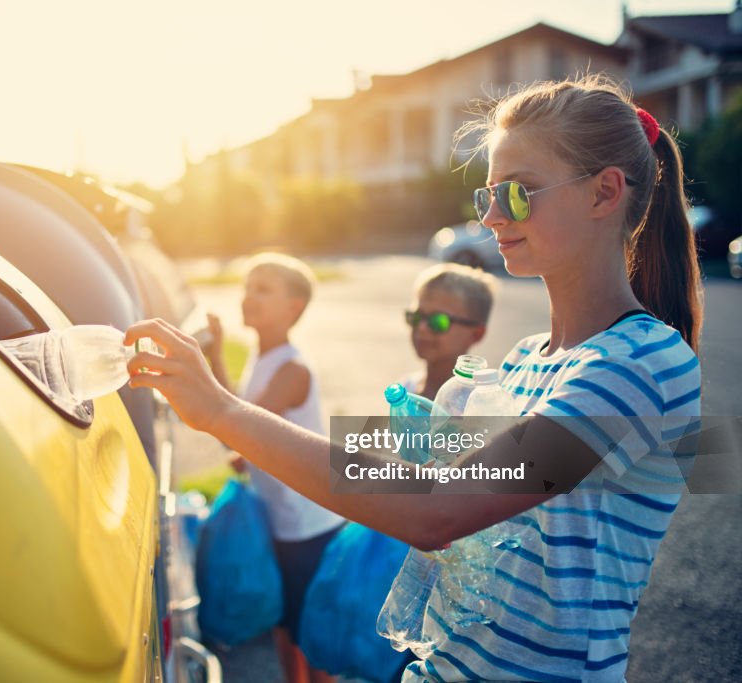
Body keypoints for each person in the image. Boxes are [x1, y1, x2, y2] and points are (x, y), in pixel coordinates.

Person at [127, 74, 702, 682]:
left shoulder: (639, 365)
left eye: (518, 193)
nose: (492, 218)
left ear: (604, 192)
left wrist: (222, 412)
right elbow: (443, 497)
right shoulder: (528, 357)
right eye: (486, 197)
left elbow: (437, 512)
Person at [202, 253, 343, 683]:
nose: (249, 296)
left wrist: (206, 363)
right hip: (281, 519)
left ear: (293, 308)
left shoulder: (292, 369)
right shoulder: (262, 359)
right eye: (247, 286)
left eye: (263, 289)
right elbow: (242, 421)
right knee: (285, 625)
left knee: (311, 635)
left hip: (306, 524)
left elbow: (236, 427)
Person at [399, 263, 497, 399]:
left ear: (476, 334)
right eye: (416, 316)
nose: (421, 327)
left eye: (438, 321)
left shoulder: (477, 402)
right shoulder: (407, 387)